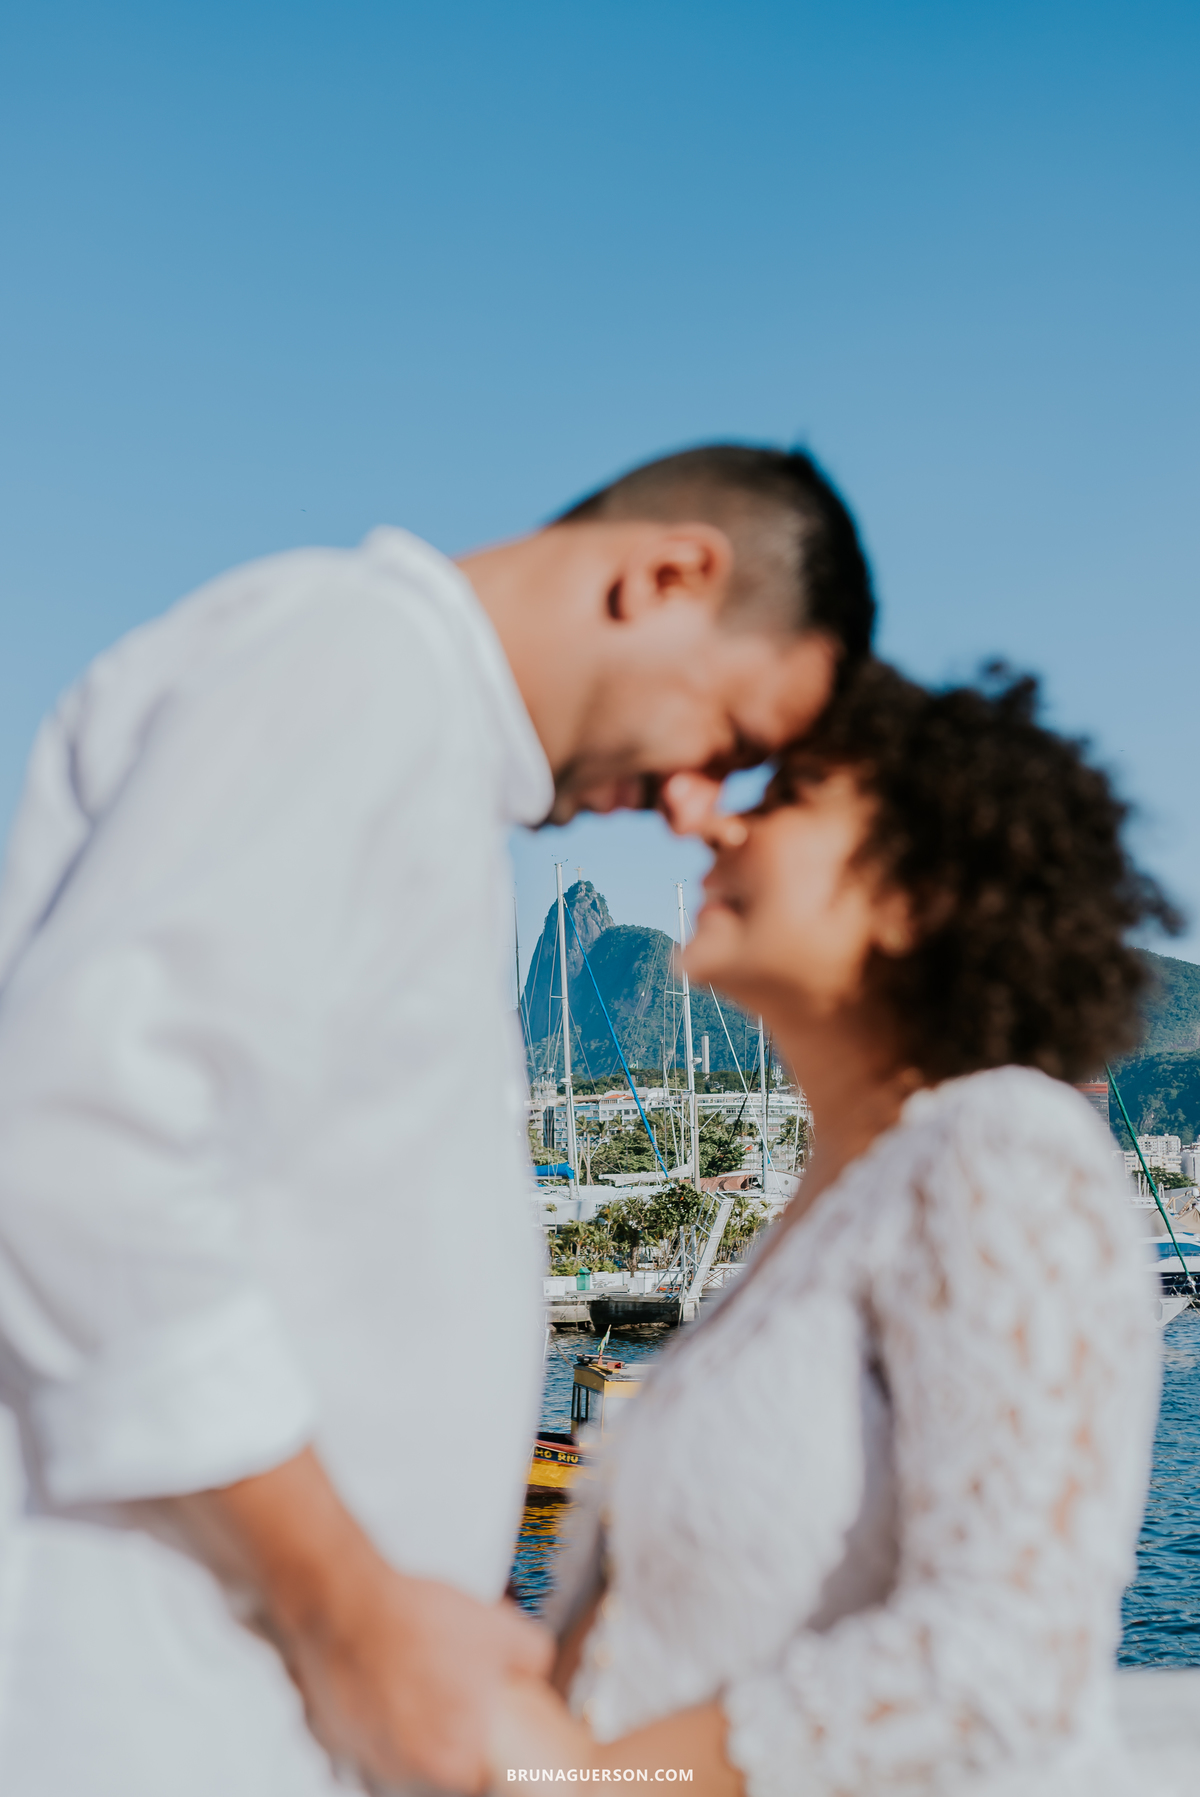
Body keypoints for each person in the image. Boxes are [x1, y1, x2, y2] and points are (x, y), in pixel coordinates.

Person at [0, 445, 874, 1797]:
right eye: (736, 740)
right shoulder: (361, 666)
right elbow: (77, 1137)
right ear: (665, 577)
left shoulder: (411, 735)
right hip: (159, 1700)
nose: (701, 805)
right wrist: (348, 1612)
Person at [492, 661, 1192, 1797]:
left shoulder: (998, 1153)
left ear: (915, 893)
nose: (706, 817)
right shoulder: (827, 1210)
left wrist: (584, 1782)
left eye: (784, 798)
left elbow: (997, 1668)